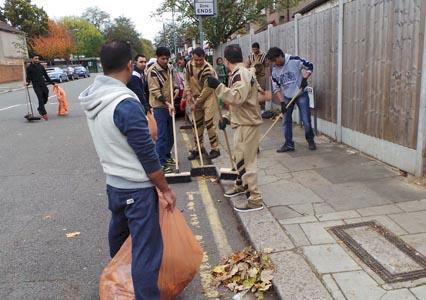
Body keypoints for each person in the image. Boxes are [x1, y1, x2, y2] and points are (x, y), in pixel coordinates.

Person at [79, 40, 176, 300]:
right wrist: (165, 189)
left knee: (120, 242)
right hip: (137, 191)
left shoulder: (94, 99)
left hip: (115, 186)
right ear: (129, 65)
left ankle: (121, 286)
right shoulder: (124, 103)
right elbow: (147, 155)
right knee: (146, 252)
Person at [207, 44, 264, 212]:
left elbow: (237, 98)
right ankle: (241, 185)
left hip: (248, 124)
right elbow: (241, 103)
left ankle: (255, 199)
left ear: (226, 60)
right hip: (242, 122)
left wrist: (218, 86)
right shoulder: (239, 73)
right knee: (239, 158)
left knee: (247, 162)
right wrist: (227, 117)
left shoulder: (240, 75)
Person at [266, 47, 316, 152]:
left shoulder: (294, 60)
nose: (274, 64)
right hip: (288, 97)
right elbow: (276, 88)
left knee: (306, 120)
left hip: (300, 94)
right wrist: (282, 102)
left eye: (275, 61)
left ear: (280, 56)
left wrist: (305, 79)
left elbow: (310, 66)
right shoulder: (275, 70)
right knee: (286, 121)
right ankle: (289, 145)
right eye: (272, 62)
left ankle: (310, 140)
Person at [184, 47, 221, 160]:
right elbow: (186, 80)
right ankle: (198, 147)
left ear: (204, 57)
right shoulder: (189, 65)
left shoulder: (208, 69)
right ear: (193, 57)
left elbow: (207, 90)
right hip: (195, 96)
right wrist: (188, 93)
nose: (198, 62)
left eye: (201, 60)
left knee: (209, 123)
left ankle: (215, 148)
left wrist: (197, 102)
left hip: (209, 97)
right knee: (197, 123)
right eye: (196, 60)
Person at [147, 47, 178, 173]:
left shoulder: (170, 68)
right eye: (162, 58)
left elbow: (173, 82)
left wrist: (175, 89)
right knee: (162, 135)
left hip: (169, 104)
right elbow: (154, 91)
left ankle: (166, 156)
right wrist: (167, 103)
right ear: (157, 57)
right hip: (159, 106)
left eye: (167, 58)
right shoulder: (152, 71)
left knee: (171, 134)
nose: (165, 61)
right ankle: (160, 163)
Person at [127, 54, 157, 140]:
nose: (143, 64)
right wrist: (146, 107)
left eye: (145, 62)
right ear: (135, 62)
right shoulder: (134, 76)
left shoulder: (141, 72)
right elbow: (139, 93)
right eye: (141, 62)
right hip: (135, 107)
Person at [26, 55, 56, 120]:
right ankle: (43, 113)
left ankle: (40, 108)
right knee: (40, 98)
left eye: (38, 58)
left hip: (43, 85)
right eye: (35, 58)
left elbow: (46, 76)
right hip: (36, 86)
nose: (37, 60)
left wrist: (52, 83)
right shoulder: (29, 68)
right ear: (32, 59)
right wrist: (27, 83)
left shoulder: (41, 66)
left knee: (45, 97)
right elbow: (28, 77)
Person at [245, 42, 269, 114]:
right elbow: (247, 65)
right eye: (253, 49)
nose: (254, 51)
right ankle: (254, 108)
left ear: (259, 48)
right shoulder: (250, 56)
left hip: (261, 76)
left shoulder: (264, 55)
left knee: (261, 91)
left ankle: (262, 108)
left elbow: (267, 64)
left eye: (256, 49)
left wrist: (264, 65)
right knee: (253, 91)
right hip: (252, 75)